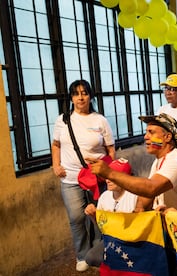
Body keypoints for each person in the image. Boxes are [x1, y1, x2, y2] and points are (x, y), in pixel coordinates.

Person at [51, 79, 115, 272]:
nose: (81, 97)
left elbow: (111, 150)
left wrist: (107, 170)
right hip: (70, 178)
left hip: (96, 178)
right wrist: (55, 165)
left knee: (98, 215)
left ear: (90, 96)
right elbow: (56, 144)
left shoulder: (100, 120)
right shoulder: (62, 120)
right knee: (77, 217)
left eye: (84, 93)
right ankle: (82, 255)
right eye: (76, 93)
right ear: (71, 97)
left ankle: (97, 251)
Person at [87, 113, 177, 213]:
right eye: (146, 132)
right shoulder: (158, 161)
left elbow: (151, 188)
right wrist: (139, 208)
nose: (146, 137)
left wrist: (109, 173)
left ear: (167, 137)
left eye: (151, 132)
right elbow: (147, 197)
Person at [84, 158, 138, 267]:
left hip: (132, 242)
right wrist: (94, 216)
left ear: (125, 178)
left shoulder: (135, 196)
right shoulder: (105, 196)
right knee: (91, 257)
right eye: (106, 175)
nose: (108, 180)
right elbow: (102, 229)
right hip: (112, 240)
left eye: (112, 176)